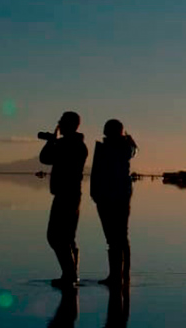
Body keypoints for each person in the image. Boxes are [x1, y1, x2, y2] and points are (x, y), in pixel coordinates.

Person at [39, 112, 88, 289]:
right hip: (72, 194)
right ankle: (71, 274)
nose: (59, 124)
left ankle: (70, 274)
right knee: (67, 237)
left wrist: (51, 140)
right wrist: (54, 140)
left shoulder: (68, 144)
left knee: (55, 236)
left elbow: (45, 158)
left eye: (61, 122)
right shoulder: (77, 144)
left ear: (69, 124)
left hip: (66, 195)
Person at [90, 119, 136, 287]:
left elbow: (128, 152)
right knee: (117, 238)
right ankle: (119, 275)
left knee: (117, 237)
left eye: (109, 129)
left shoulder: (121, 147)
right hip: (106, 196)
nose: (106, 132)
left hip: (115, 197)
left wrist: (128, 140)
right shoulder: (116, 147)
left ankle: (119, 276)